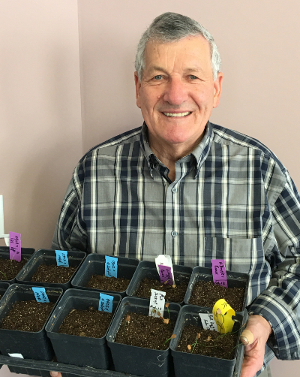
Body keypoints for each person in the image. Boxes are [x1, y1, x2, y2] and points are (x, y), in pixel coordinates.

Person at [50, 12, 300, 377]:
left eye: (192, 76)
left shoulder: (260, 171)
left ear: (216, 87)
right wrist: (60, 348)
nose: (175, 94)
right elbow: (61, 269)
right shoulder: (95, 172)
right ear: (138, 87)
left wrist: (264, 322)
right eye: (158, 77)